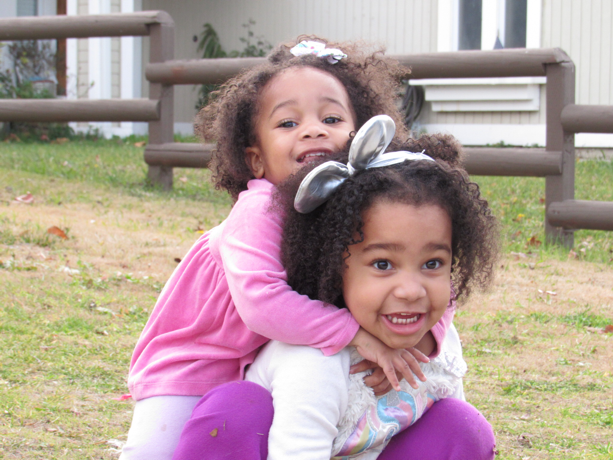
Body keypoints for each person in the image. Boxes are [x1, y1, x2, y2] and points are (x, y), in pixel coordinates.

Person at [120, 38, 454, 460]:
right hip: (199, 362)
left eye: (331, 118)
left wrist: (421, 341)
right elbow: (263, 303)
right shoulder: (259, 210)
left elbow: (432, 270)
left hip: (275, 358)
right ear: (256, 160)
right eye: (287, 123)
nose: (313, 130)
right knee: (156, 452)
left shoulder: (367, 202)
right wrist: (357, 335)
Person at [172, 117, 499, 460]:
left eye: (432, 264)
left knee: (461, 426)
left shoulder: (438, 342)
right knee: (234, 411)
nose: (410, 291)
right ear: (334, 268)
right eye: (382, 264)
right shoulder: (315, 364)